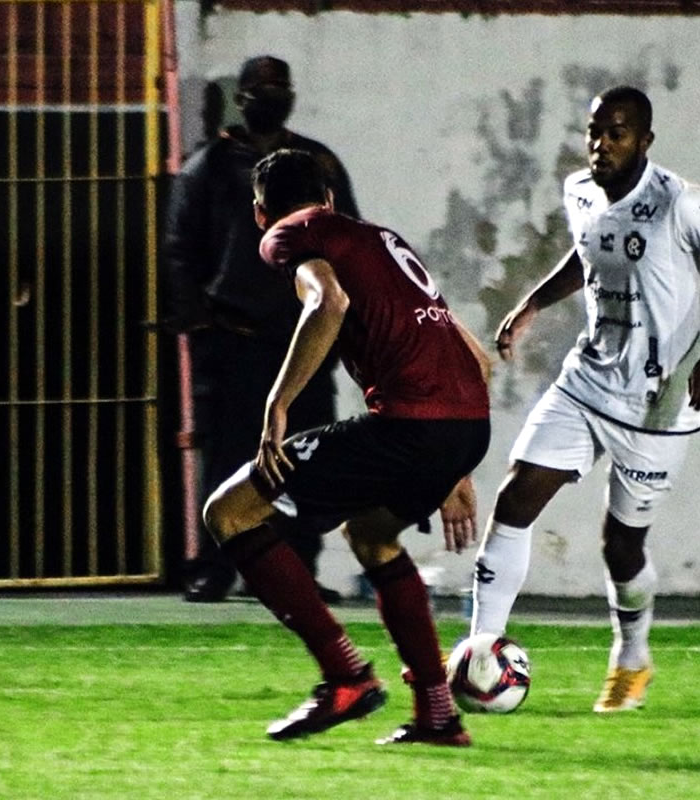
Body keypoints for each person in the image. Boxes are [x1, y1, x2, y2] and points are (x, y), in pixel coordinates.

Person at [469, 86, 700, 712]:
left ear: (644, 140)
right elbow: (589, 252)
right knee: (516, 497)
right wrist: (531, 304)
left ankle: (632, 657)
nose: (602, 144)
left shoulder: (681, 202)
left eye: (617, 133)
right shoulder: (580, 190)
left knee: (621, 545)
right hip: (587, 381)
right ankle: (479, 654)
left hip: (656, 405)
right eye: (595, 132)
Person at [201, 148, 491, 746]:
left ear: (260, 213)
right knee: (372, 534)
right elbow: (477, 358)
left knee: (229, 512)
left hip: (411, 426)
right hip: (466, 423)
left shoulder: (289, 234)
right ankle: (437, 713)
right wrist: (454, 467)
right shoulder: (380, 239)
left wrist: (278, 403)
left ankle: (346, 677)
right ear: (330, 198)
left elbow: (328, 302)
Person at [164, 55, 360, 602]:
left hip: (303, 338)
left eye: (280, 87)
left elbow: (349, 241)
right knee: (229, 458)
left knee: (306, 456)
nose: (272, 96)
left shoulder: (316, 163)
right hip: (235, 339)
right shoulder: (210, 166)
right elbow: (180, 248)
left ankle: (297, 568)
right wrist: (201, 320)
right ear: (241, 99)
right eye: (262, 88)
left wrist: (341, 331)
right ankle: (217, 567)